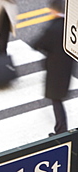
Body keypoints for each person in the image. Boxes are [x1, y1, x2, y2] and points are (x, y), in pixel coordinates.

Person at [33, 0, 74, 136]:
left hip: (55, 70)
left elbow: (38, 44)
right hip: (67, 67)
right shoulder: (69, 25)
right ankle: (60, 128)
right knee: (58, 99)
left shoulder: (53, 27)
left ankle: (61, 129)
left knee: (56, 100)